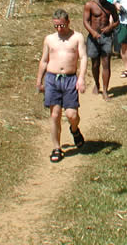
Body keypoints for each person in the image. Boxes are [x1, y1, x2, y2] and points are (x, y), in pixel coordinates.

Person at [36, 9, 87, 163]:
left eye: (62, 25)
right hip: (52, 79)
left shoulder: (77, 37)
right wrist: (39, 80)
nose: (59, 29)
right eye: (56, 26)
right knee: (55, 115)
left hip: (70, 79)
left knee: (71, 115)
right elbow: (44, 60)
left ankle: (74, 129)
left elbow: (83, 57)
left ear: (68, 22)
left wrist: (82, 78)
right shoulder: (49, 39)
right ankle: (56, 147)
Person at [83, 0, 120, 101]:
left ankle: (105, 90)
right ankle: (96, 83)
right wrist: (93, 32)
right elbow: (85, 21)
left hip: (106, 37)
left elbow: (117, 21)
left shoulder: (111, 7)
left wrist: (110, 27)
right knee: (94, 64)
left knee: (106, 63)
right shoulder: (90, 5)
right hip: (93, 38)